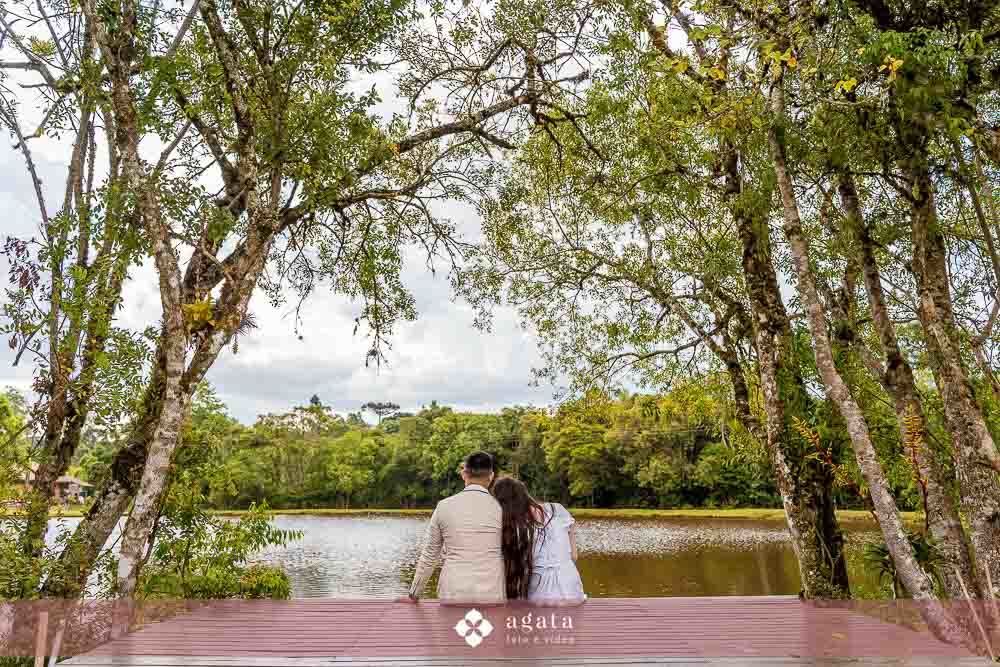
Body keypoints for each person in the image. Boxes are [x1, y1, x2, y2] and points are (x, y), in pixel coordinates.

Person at [401, 451, 505, 605]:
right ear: (491, 476)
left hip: (454, 591)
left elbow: (430, 554)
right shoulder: (501, 508)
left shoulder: (444, 507)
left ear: (464, 474)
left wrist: (414, 595)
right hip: (492, 593)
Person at [492, 477, 585, 605]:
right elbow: (574, 557)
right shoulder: (557, 509)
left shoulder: (514, 526)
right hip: (573, 590)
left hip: (540, 594)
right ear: (524, 493)